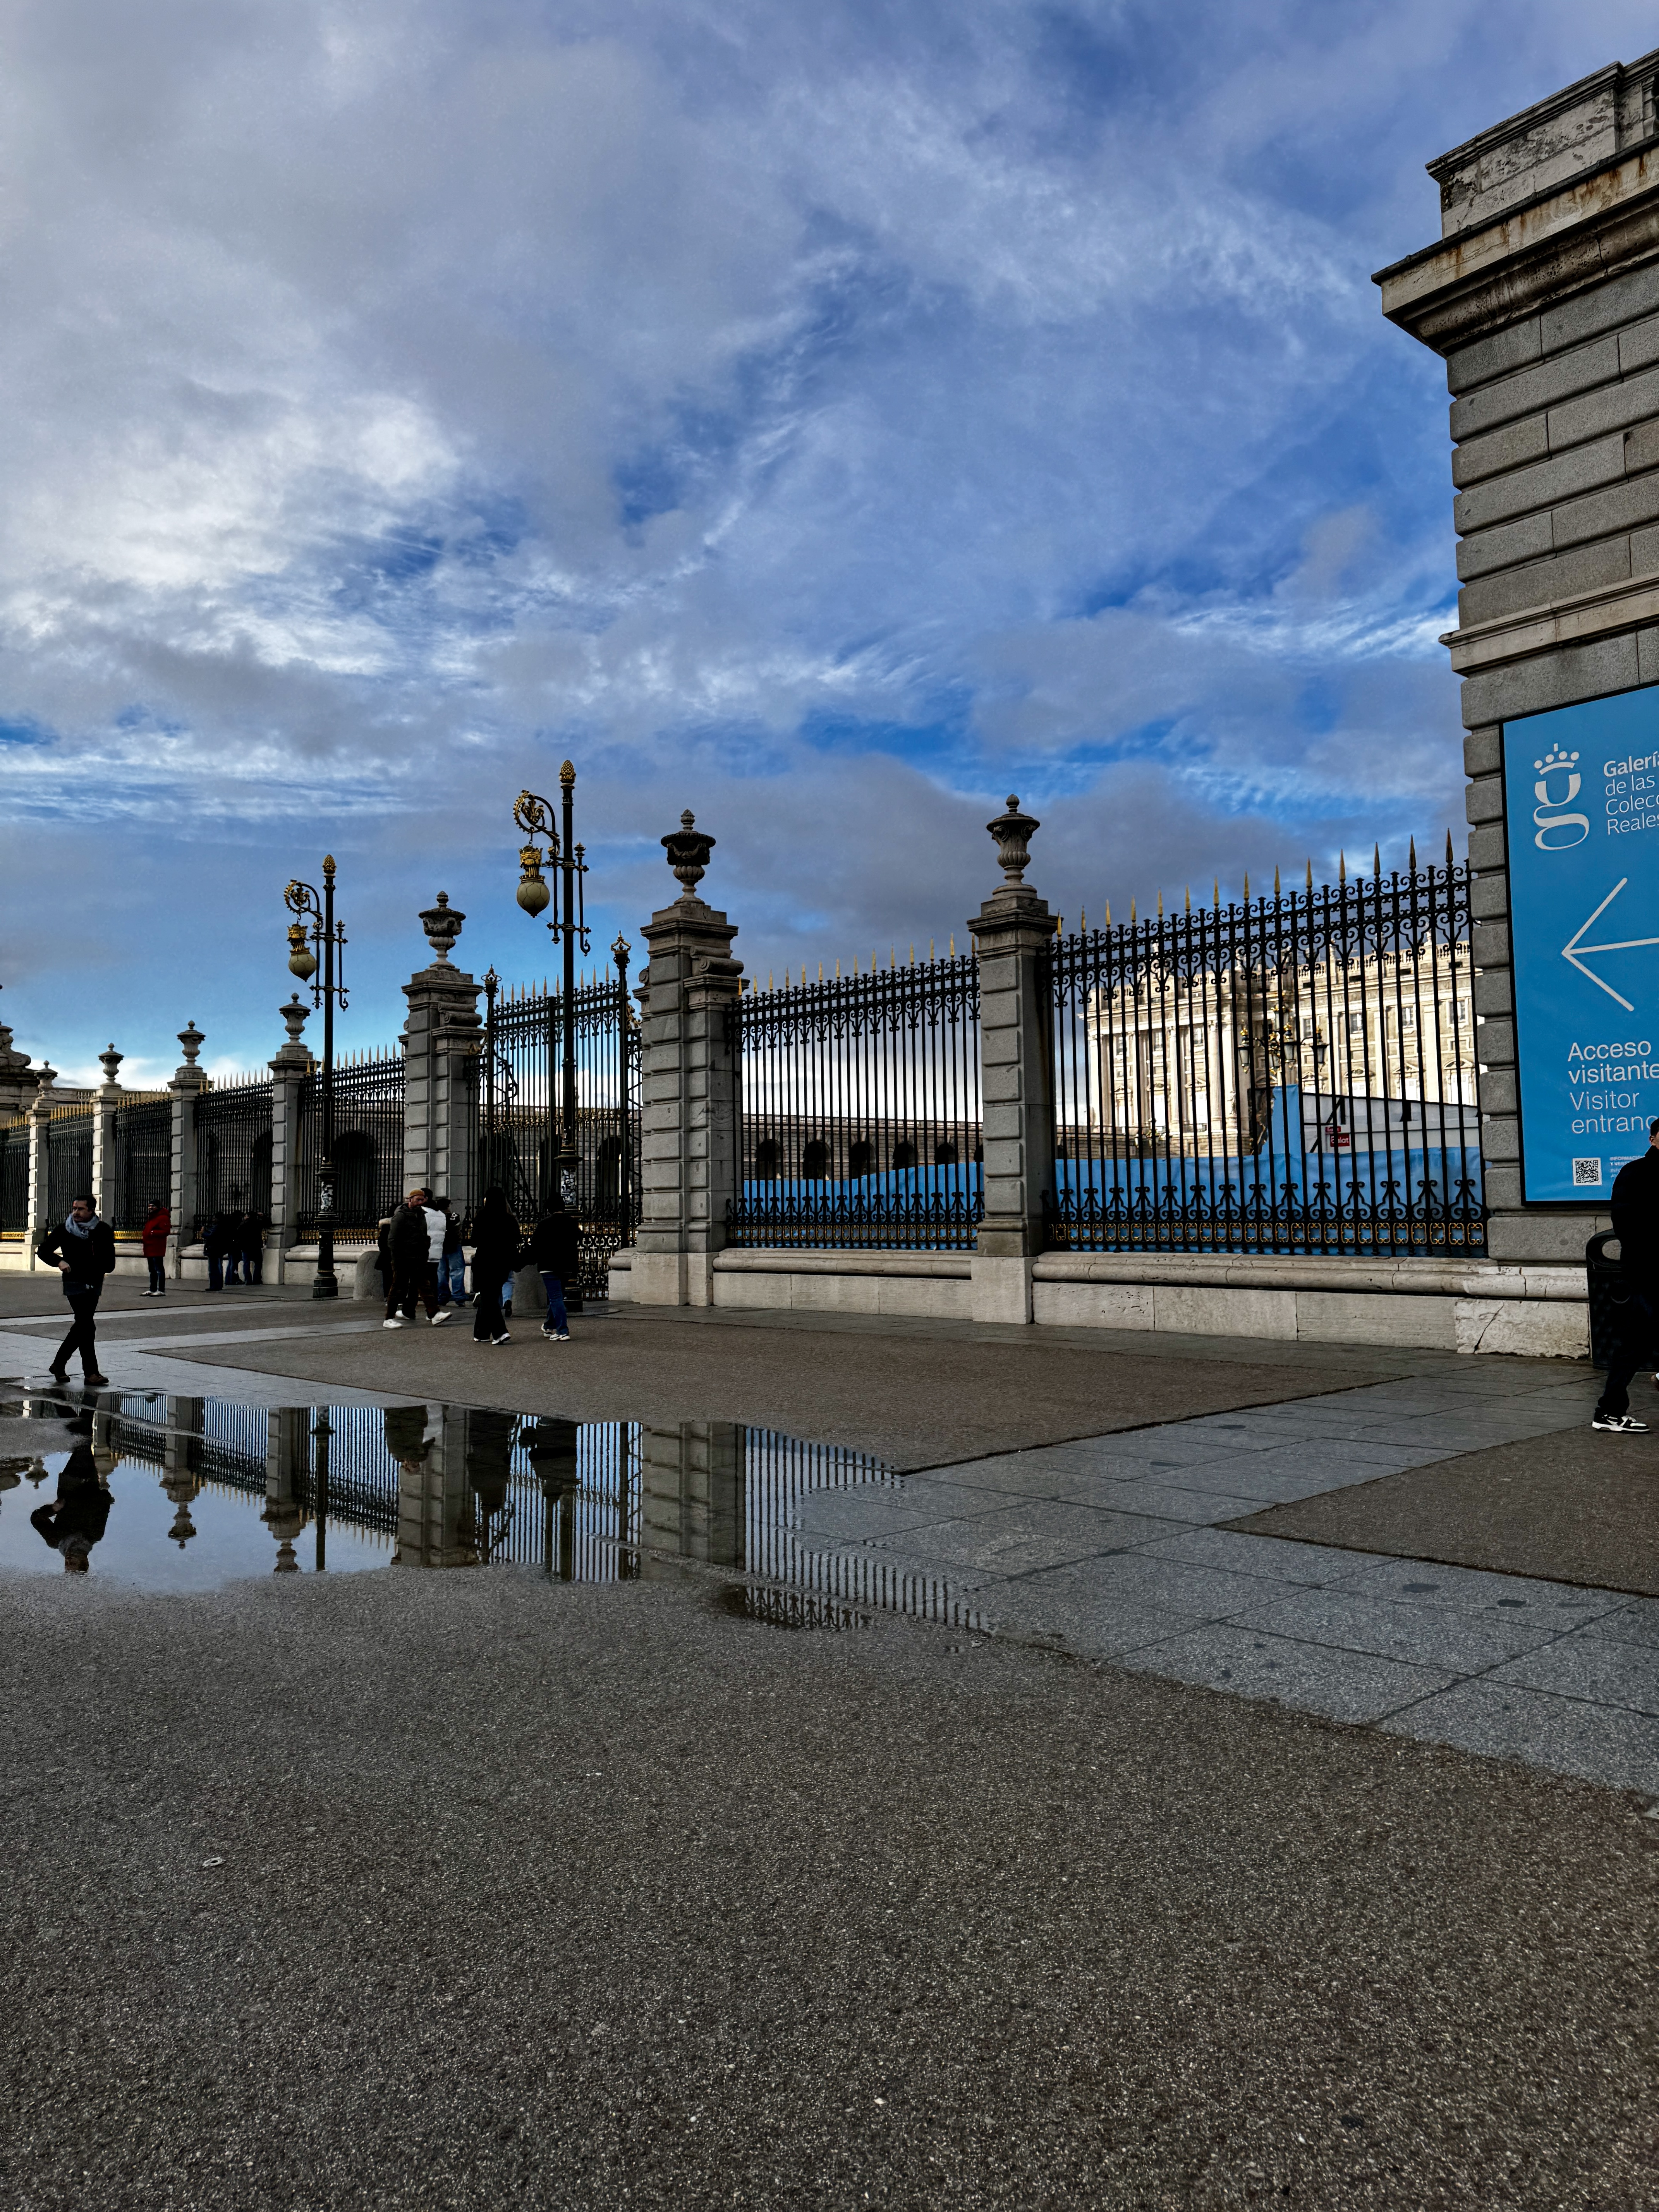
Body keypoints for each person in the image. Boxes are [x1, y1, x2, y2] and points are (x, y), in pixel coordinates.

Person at [1594, 1115, 1659, 1433]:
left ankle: (1608, 1410)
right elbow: (1626, 1222)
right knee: (1637, 1340)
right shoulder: (1635, 1173)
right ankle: (1609, 1411)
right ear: (1653, 1139)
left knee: (1638, 1339)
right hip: (1648, 1270)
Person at [36, 1193, 115, 1387]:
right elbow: (43, 1250)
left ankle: (59, 1364)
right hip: (74, 1283)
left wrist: (98, 1266)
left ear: (91, 1210)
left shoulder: (102, 1230)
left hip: (94, 1284)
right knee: (87, 1325)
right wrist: (59, 1261)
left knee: (83, 1325)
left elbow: (110, 1262)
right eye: (74, 1208)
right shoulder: (65, 1229)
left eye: (81, 1209)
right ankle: (91, 1373)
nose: (76, 1212)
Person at [29, 1439, 112, 1573]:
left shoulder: (55, 1540)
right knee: (82, 1446)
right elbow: (104, 1506)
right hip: (88, 1483)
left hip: (70, 1483)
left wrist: (53, 1509)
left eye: (67, 1563)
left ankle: (76, 1425)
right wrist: (99, 1497)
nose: (68, 1559)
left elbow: (37, 1519)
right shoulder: (94, 1535)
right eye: (73, 1562)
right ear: (85, 1561)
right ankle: (76, 1425)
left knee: (82, 1446)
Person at [383, 1189, 449, 1328]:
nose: (420, 1203)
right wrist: (398, 1259)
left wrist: (424, 1251)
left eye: (422, 1200)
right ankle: (389, 1318)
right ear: (410, 1200)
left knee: (425, 1286)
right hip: (403, 1258)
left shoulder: (421, 1215)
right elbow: (393, 1240)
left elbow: (423, 1235)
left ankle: (434, 1314)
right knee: (398, 1287)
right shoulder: (401, 1216)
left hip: (418, 1257)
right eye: (418, 1200)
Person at [468, 1186, 520, 1347]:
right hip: (503, 1264)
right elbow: (517, 1239)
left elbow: (474, 1242)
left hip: (485, 1262)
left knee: (489, 1299)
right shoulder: (509, 1218)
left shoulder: (482, 1216)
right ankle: (481, 1333)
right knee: (490, 1297)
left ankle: (500, 1332)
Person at [529, 1195, 579, 1343]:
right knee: (557, 1297)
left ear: (549, 1209)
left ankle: (562, 1330)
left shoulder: (544, 1224)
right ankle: (549, 1325)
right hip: (566, 1266)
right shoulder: (572, 1222)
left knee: (555, 1297)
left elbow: (535, 1244)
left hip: (549, 1265)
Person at [434, 1197, 469, 1307]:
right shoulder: (454, 1216)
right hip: (454, 1246)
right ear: (448, 1206)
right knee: (457, 1272)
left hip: (439, 1247)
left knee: (441, 1273)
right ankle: (459, 1297)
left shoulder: (434, 1217)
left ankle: (443, 1296)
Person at [140, 1199, 170, 1297]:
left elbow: (166, 1231)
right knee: (152, 1270)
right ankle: (152, 1289)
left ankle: (161, 1290)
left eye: (153, 1206)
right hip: (150, 1247)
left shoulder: (163, 1218)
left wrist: (153, 1233)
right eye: (150, 1206)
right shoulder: (152, 1217)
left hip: (157, 1247)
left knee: (159, 1269)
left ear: (158, 1207)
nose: (151, 1208)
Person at [201, 1209, 234, 1292]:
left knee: (213, 1269)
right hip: (219, 1249)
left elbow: (211, 1237)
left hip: (214, 1250)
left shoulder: (218, 1227)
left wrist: (203, 1233)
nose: (213, 1220)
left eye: (215, 1218)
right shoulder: (224, 1226)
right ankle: (219, 1285)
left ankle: (214, 1286)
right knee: (219, 1267)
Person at [240, 1207, 266, 1286]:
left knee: (246, 1263)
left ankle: (248, 1280)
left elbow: (238, 1235)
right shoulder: (258, 1223)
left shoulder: (244, 1225)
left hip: (246, 1247)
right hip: (256, 1246)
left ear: (248, 1216)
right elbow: (268, 1224)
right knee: (258, 1263)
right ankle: (257, 1279)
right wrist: (262, 1216)